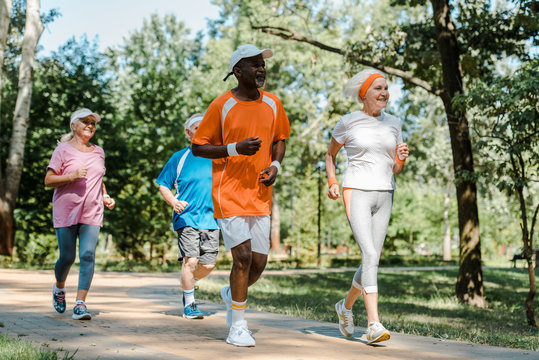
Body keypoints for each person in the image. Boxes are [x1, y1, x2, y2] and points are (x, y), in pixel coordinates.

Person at [191, 44, 290, 347]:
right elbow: (198, 146)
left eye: (263, 64)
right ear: (237, 71)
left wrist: (275, 165)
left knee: (258, 264)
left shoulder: (273, 103)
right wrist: (235, 148)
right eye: (254, 65)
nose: (261, 69)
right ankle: (238, 326)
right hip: (229, 193)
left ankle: (231, 293)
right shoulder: (221, 105)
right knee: (243, 257)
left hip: (259, 194)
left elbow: (280, 139)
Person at [325, 69, 409, 344]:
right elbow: (330, 155)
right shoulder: (348, 122)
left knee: (371, 258)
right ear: (364, 93)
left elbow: (395, 168)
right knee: (370, 254)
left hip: (385, 192)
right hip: (356, 190)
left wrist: (401, 159)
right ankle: (373, 325)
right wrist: (333, 180)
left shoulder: (394, 123)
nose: (384, 93)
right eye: (378, 89)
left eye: (386, 88)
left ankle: (345, 307)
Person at [44, 108, 115, 320]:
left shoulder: (99, 151)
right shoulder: (62, 151)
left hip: (92, 210)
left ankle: (80, 304)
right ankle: (59, 288)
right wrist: (72, 175)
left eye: (93, 123)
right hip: (66, 209)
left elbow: (98, 178)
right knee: (67, 257)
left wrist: (105, 195)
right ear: (73, 125)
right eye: (85, 121)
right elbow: (48, 180)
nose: (90, 125)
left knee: (87, 255)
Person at [156, 113, 219, 320]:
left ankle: (188, 282)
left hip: (212, 218)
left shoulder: (218, 157)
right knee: (190, 261)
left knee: (208, 264)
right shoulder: (179, 157)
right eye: (196, 127)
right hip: (187, 216)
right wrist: (173, 202)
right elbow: (163, 185)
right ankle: (190, 303)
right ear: (188, 133)